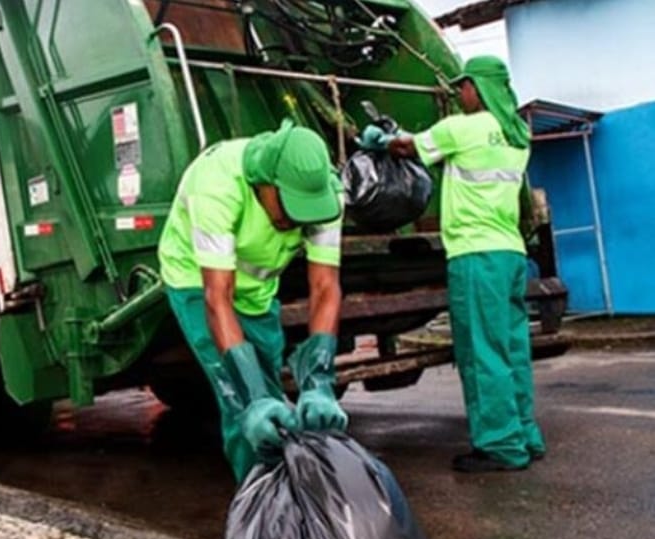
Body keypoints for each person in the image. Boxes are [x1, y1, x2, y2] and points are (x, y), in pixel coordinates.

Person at [359, 55, 545, 472]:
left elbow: (409, 146)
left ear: (478, 88)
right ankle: (525, 435)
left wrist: (380, 139)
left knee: (482, 353)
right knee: (512, 349)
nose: (458, 92)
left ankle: (500, 446)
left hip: (475, 255)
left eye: (463, 86)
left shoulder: (463, 128)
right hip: (510, 252)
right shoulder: (517, 133)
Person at [158, 119, 347, 482]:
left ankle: (284, 488)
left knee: (270, 391)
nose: (295, 221)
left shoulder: (328, 197)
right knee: (244, 402)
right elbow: (218, 298)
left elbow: (325, 286)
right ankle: (264, 506)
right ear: (265, 183)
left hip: (258, 289)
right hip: (198, 282)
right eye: (289, 207)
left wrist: (320, 379)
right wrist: (253, 395)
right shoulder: (216, 185)